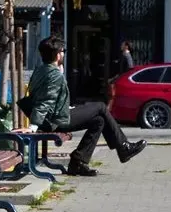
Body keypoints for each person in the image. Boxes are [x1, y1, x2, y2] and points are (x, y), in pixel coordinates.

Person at [25, 36, 145, 176]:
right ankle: (123, 147)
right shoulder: (54, 74)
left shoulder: (40, 70)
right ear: (58, 54)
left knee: (99, 121)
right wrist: (33, 126)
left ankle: (78, 162)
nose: (64, 54)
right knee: (100, 106)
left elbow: (41, 96)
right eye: (63, 51)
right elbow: (46, 101)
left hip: (52, 117)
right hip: (55, 121)